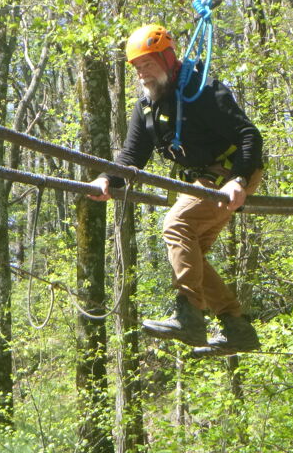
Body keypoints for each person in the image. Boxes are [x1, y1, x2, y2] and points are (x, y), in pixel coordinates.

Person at [88, 24, 264, 352]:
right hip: (204, 181)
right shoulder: (146, 106)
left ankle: (188, 315)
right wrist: (106, 179)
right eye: (138, 68)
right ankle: (235, 325)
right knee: (191, 248)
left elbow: (249, 136)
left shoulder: (202, 90)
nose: (143, 74)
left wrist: (239, 180)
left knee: (176, 225)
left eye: (149, 65)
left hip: (231, 174)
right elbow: (131, 158)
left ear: (168, 59)